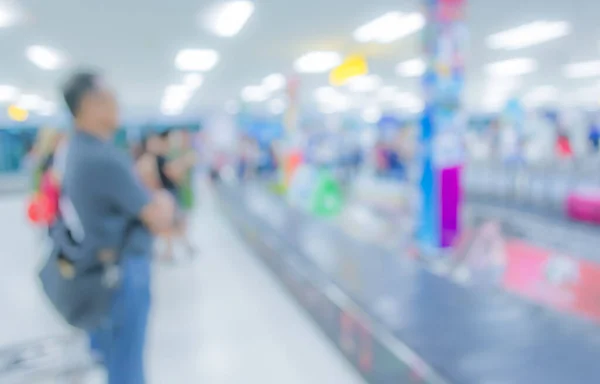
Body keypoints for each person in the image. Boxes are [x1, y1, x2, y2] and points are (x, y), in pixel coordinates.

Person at [60, 70, 175, 384]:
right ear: (89, 104)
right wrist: (163, 199)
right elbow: (158, 216)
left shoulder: (76, 151)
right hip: (122, 274)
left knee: (111, 356)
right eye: (110, 98)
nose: (117, 104)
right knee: (127, 368)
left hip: (99, 269)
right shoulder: (104, 158)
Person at [137, 129, 197, 260]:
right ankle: (172, 251)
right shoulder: (153, 159)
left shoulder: (163, 157)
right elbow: (162, 175)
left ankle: (181, 247)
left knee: (176, 222)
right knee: (169, 223)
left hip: (169, 193)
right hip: (166, 194)